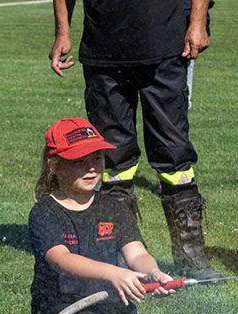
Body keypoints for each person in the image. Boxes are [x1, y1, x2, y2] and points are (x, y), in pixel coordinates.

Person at [49, 0, 221, 282]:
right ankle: (121, 258)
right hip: (104, 50)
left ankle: (191, 260)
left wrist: (197, 22)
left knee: (174, 154)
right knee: (114, 162)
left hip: (166, 46)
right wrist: (62, 32)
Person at [28, 118, 176, 314]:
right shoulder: (45, 212)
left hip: (109, 301)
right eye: (79, 161)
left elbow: (137, 254)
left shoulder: (113, 208)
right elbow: (62, 259)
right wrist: (112, 273)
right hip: (59, 303)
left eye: (97, 158)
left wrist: (153, 273)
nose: (91, 168)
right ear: (54, 165)